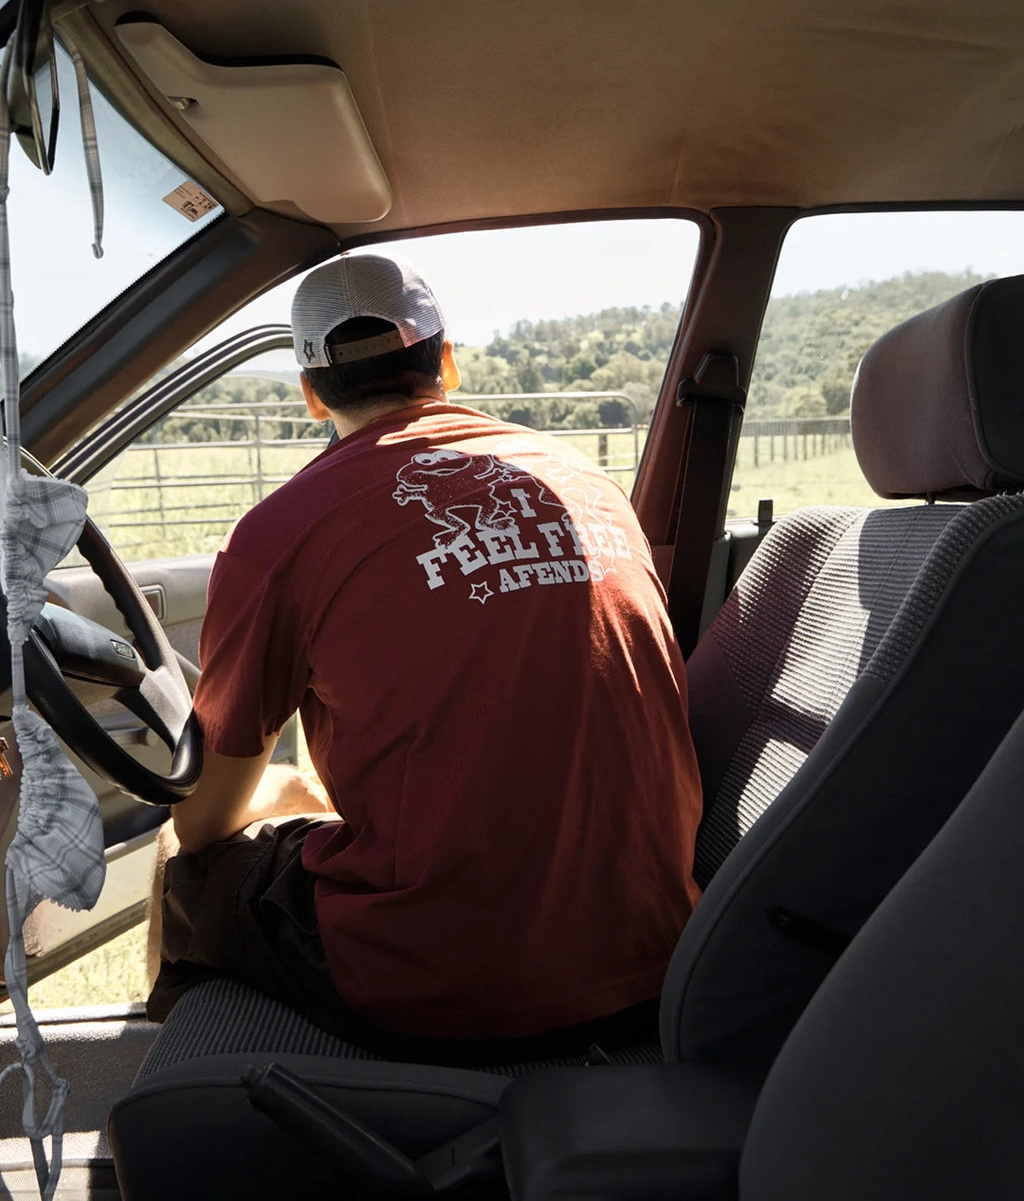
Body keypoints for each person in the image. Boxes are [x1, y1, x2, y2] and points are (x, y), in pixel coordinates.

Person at [148, 252, 703, 1064]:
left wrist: (271, 791)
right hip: (660, 952)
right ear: (446, 360)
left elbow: (204, 822)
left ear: (310, 393)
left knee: (182, 863)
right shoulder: (588, 482)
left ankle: (196, 1118)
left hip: (447, 984)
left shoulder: (281, 530)